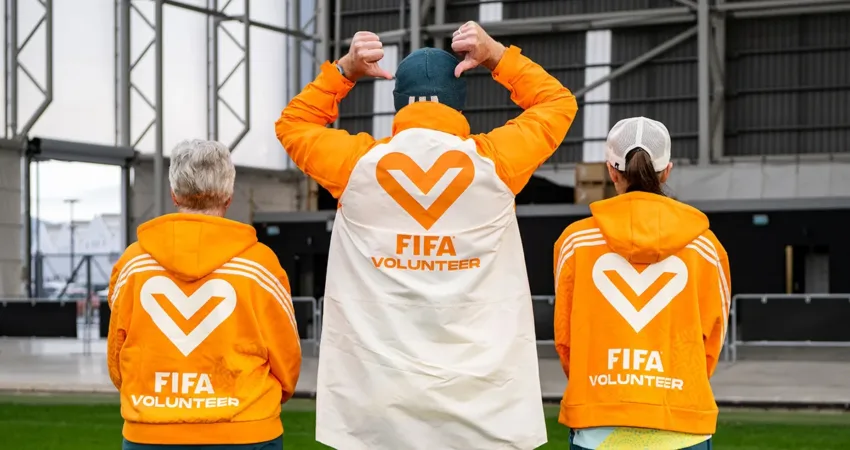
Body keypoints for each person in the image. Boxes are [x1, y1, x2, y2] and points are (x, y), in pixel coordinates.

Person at [275, 21, 578, 450]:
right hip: (484, 408)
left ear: (398, 101)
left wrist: (344, 70)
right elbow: (557, 103)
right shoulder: (495, 163)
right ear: (460, 101)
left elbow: (293, 123)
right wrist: (496, 56)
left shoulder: (356, 165)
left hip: (377, 410)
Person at [106, 140, 301, 450]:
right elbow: (286, 354)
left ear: (174, 194)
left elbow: (117, 352)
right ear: (229, 195)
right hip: (246, 429)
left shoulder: (133, 265)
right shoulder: (260, 265)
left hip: (151, 430)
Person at [552, 117, 731, 450]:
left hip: (598, 424)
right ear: (667, 171)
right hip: (682, 422)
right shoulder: (706, 248)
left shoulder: (575, 243)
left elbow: (565, 339)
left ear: (612, 171)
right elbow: (713, 338)